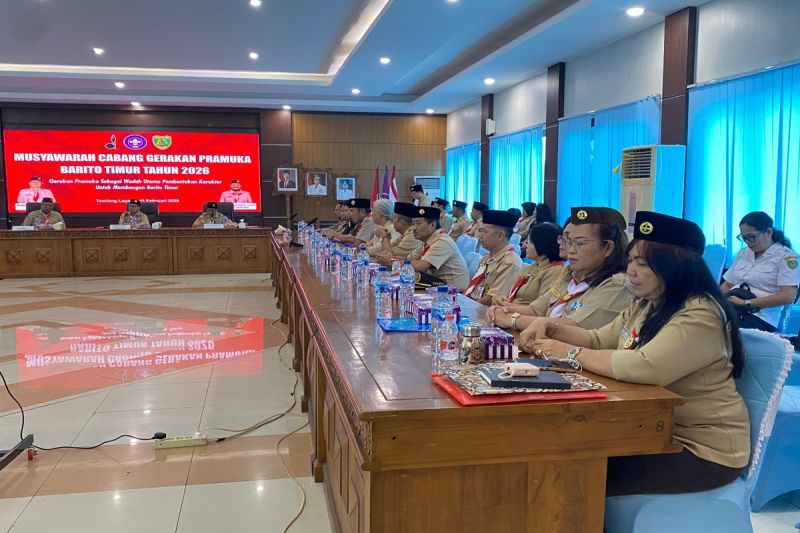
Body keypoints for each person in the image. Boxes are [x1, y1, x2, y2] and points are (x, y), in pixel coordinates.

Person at [521, 211, 750, 497]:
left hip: (699, 448)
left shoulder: (700, 312)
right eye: (631, 261)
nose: (631, 270)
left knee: (570, 472)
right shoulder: (648, 303)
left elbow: (646, 366)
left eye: (643, 263)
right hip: (648, 427)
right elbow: (598, 339)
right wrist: (550, 327)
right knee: (553, 452)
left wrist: (569, 352)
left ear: (677, 265)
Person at [488, 206, 631, 331]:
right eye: (568, 241)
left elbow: (573, 327)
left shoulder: (616, 285)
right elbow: (537, 309)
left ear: (607, 248)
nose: (571, 250)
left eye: (580, 243)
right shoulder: (572, 274)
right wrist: (502, 310)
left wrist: (512, 319)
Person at [721, 211, 798, 332]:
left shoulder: (787, 257)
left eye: (751, 237)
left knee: (719, 330)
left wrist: (746, 303)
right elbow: (727, 285)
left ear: (768, 232)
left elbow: (788, 296)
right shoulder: (744, 253)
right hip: (733, 307)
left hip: (761, 316)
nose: (747, 242)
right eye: (744, 238)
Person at [492, 223, 565, 306]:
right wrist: (501, 299)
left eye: (529, 241)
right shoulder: (530, 267)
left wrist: (505, 305)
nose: (525, 244)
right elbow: (512, 294)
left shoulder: (555, 272)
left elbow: (541, 308)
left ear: (542, 244)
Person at [465, 210, 523, 305]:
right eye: (480, 231)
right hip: (473, 303)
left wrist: (467, 306)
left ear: (500, 235)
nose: (480, 236)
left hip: (486, 309)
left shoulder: (510, 263)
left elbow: (492, 299)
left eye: (485, 232)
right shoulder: (486, 258)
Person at [408, 206, 470, 290]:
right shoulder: (427, 242)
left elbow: (420, 267)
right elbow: (409, 260)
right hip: (438, 288)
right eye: (413, 224)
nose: (413, 228)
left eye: (418, 223)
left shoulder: (442, 241)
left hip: (454, 292)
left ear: (432, 225)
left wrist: (394, 262)